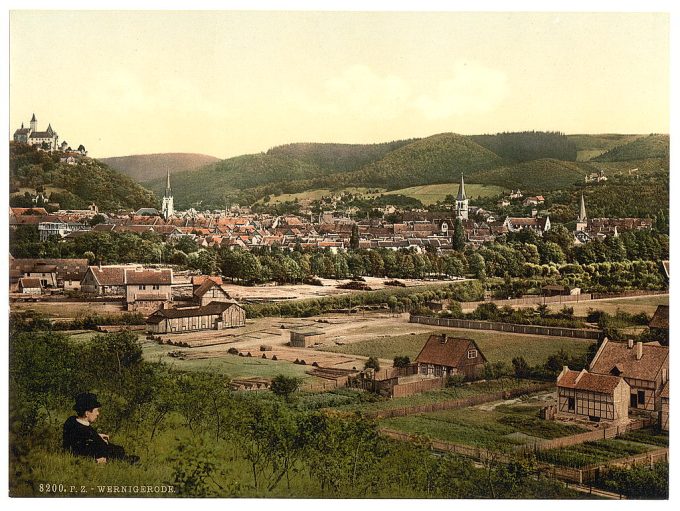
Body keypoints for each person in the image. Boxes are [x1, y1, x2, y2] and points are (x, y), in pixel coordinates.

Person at [62, 392, 138, 464]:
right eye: (96, 411)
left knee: (118, 450)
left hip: (99, 448)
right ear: (87, 413)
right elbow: (78, 452)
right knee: (119, 451)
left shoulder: (71, 421)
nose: (98, 414)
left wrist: (97, 436)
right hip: (103, 455)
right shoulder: (83, 432)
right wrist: (96, 461)